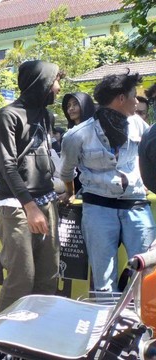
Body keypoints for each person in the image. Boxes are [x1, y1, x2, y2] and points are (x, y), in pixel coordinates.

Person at [60, 72, 154, 293]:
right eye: (133, 95)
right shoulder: (77, 135)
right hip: (98, 207)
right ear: (121, 98)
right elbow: (66, 171)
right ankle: (106, 323)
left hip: (136, 205)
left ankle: (142, 322)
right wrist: (70, 191)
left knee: (147, 271)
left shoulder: (139, 125)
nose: (137, 101)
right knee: (103, 278)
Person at [0, 60, 62, 312]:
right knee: (22, 277)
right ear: (41, 82)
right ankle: (1, 345)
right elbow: (7, 167)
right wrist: (30, 207)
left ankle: (35, 338)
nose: (58, 87)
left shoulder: (47, 115)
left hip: (47, 201)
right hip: (18, 206)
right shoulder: (8, 115)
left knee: (48, 276)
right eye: (55, 81)